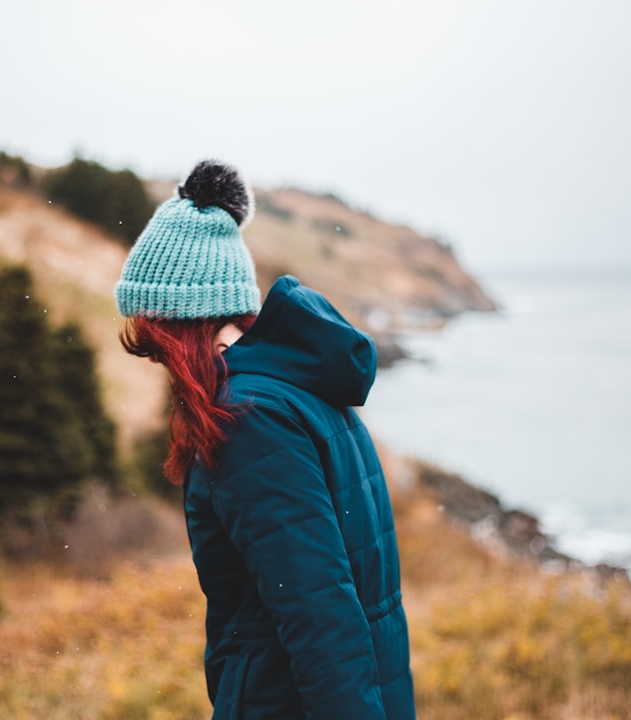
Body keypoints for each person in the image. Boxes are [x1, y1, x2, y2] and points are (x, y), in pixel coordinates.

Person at [116, 160, 415, 720]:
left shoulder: (249, 419)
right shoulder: (302, 391)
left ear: (186, 327)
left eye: (158, 348)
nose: (162, 367)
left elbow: (320, 616)